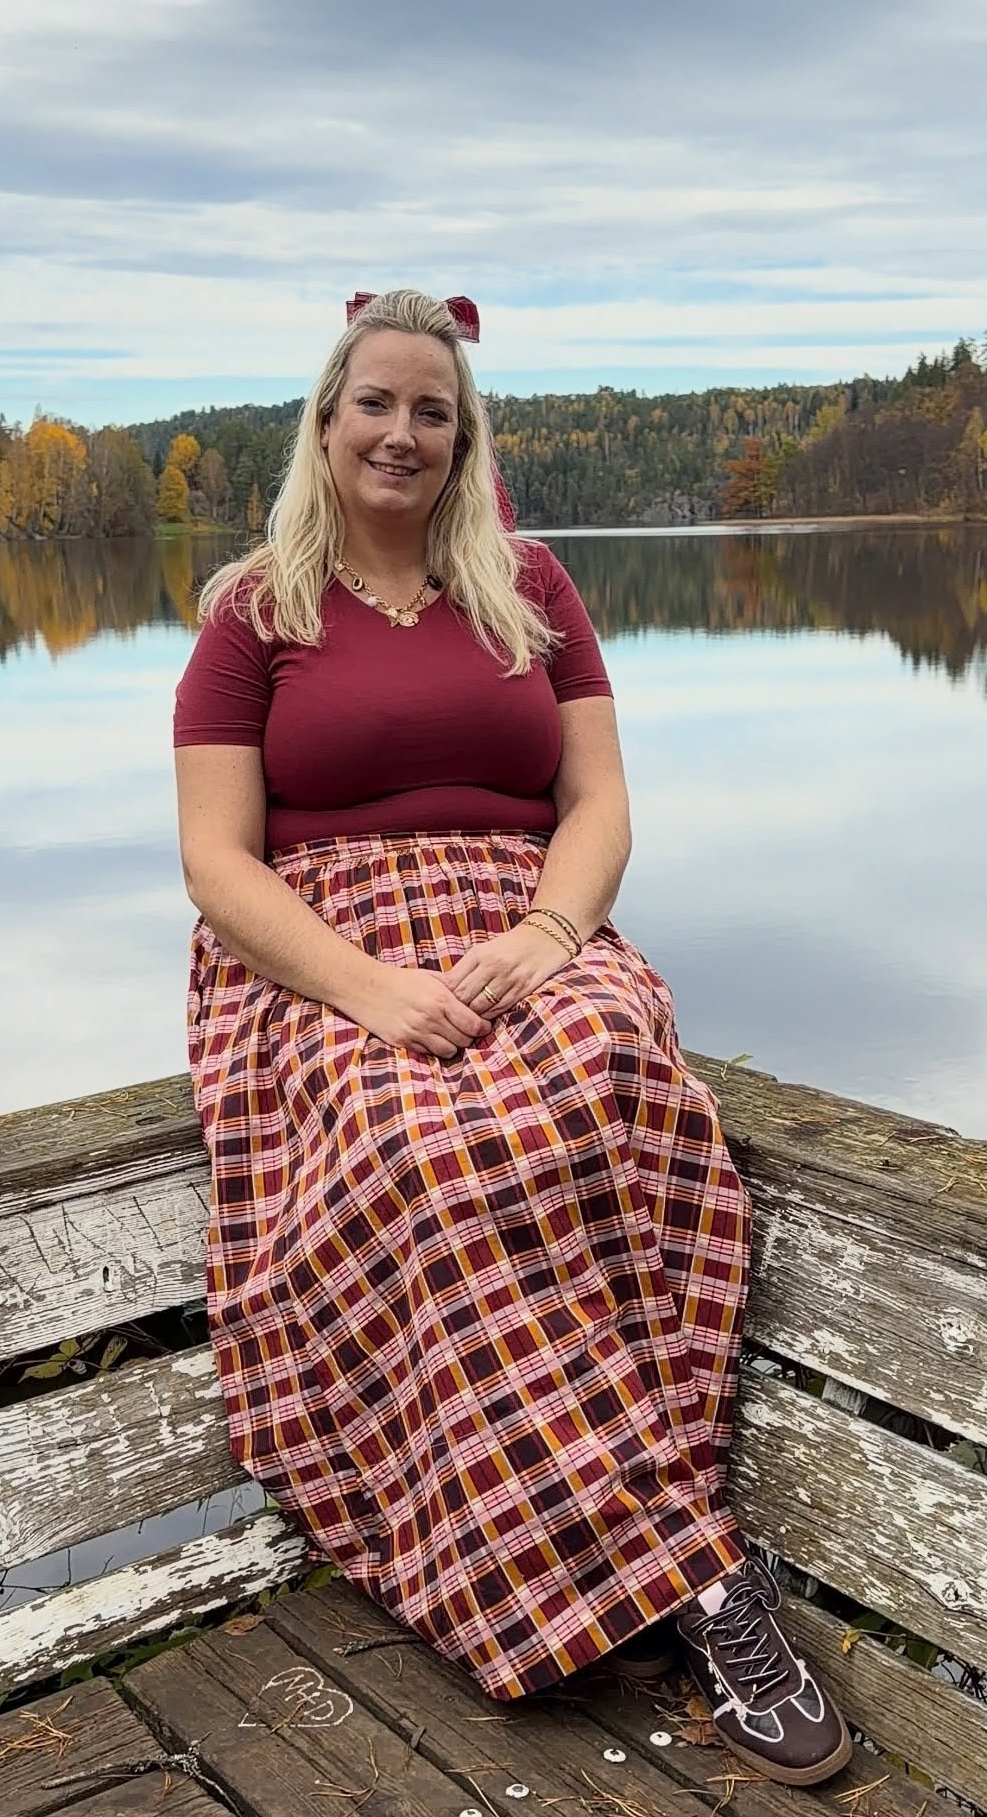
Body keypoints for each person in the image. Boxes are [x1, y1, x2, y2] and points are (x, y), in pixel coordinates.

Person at [172, 287, 851, 1788]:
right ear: (327, 422)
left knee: (615, 1080)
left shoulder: (530, 583)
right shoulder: (253, 611)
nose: (402, 433)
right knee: (429, 1142)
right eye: (377, 405)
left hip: (521, 921)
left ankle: (593, 1547)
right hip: (319, 954)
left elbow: (598, 804)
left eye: (434, 410)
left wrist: (550, 939)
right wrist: (364, 988)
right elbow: (218, 865)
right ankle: (701, 1580)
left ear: (464, 437)